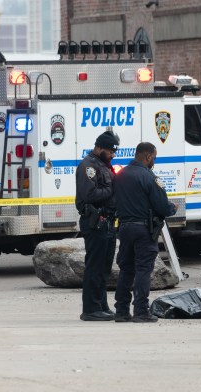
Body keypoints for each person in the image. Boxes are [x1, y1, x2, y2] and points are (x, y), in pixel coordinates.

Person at [113, 142, 178, 323]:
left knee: (126, 269)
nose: (154, 162)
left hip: (124, 228)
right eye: (154, 158)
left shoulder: (120, 175)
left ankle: (121, 311)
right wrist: (172, 208)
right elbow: (162, 206)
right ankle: (141, 310)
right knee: (143, 270)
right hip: (143, 230)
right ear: (148, 156)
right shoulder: (149, 177)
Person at [75, 130, 119, 321]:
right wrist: (112, 188)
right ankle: (90, 309)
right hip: (95, 222)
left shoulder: (104, 165)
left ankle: (101, 305)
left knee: (105, 267)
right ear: (99, 147)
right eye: (110, 151)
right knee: (95, 266)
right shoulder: (89, 166)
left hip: (108, 222)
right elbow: (90, 195)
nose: (112, 154)